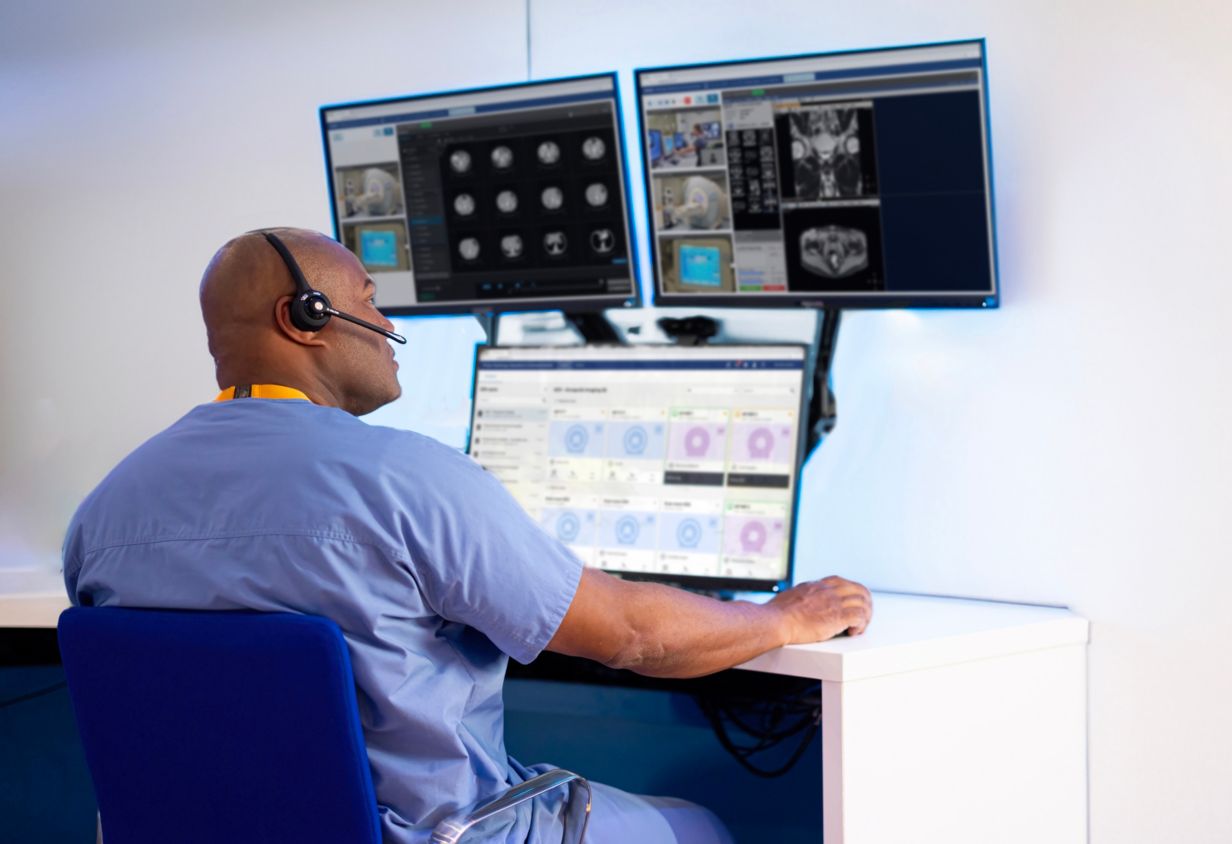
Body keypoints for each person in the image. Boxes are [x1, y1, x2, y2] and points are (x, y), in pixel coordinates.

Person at [62, 227, 873, 844]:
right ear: (304, 319)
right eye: (370, 299)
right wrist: (783, 619)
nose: (385, 323)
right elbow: (631, 635)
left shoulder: (102, 514)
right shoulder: (403, 477)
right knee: (699, 828)